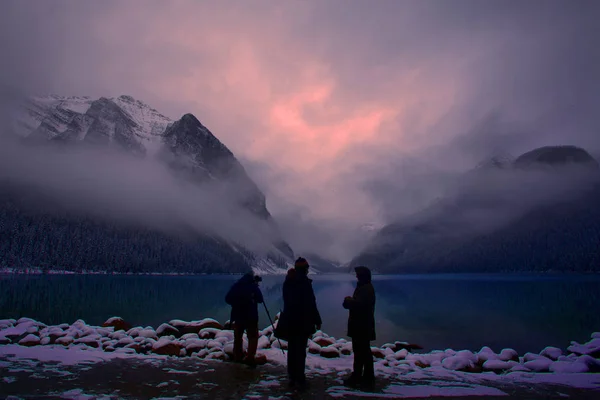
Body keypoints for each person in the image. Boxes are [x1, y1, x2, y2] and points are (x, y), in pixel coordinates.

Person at [274, 257, 322, 389]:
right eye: (306, 268)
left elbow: (288, 301)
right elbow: (310, 304)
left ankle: (292, 376)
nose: (307, 270)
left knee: (292, 349)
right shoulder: (304, 283)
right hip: (302, 322)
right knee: (300, 350)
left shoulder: (288, 281)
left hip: (290, 321)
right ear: (304, 269)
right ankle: (300, 378)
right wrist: (317, 320)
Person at [343, 266, 376, 389]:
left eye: (358, 274)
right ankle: (366, 376)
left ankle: (359, 377)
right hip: (362, 325)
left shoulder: (365, 289)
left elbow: (359, 305)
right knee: (363, 352)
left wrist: (348, 301)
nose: (356, 276)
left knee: (361, 352)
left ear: (363, 276)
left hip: (361, 326)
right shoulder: (365, 287)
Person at [225, 271, 264, 366]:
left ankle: (237, 357)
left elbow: (227, 299)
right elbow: (260, 299)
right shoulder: (253, 287)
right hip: (251, 317)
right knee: (253, 337)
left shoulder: (236, 286)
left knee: (238, 337)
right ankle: (250, 358)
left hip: (238, 316)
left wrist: (236, 303)